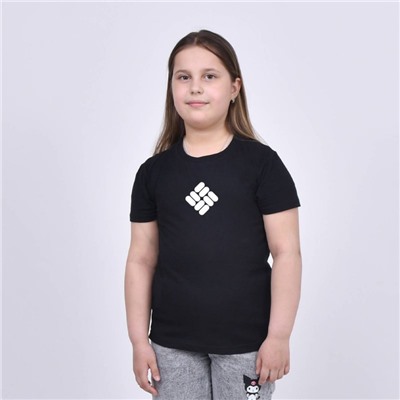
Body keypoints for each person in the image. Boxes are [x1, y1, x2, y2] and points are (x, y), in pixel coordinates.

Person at [124, 29, 302, 400]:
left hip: (247, 344)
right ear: (171, 87)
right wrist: (139, 341)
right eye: (183, 77)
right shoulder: (153, 173)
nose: (195, 88)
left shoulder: (262, 165)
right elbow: (141, 259)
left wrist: (279, 336)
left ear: (235, 87)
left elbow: (286, 252)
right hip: (171, 345)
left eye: (209, 76)